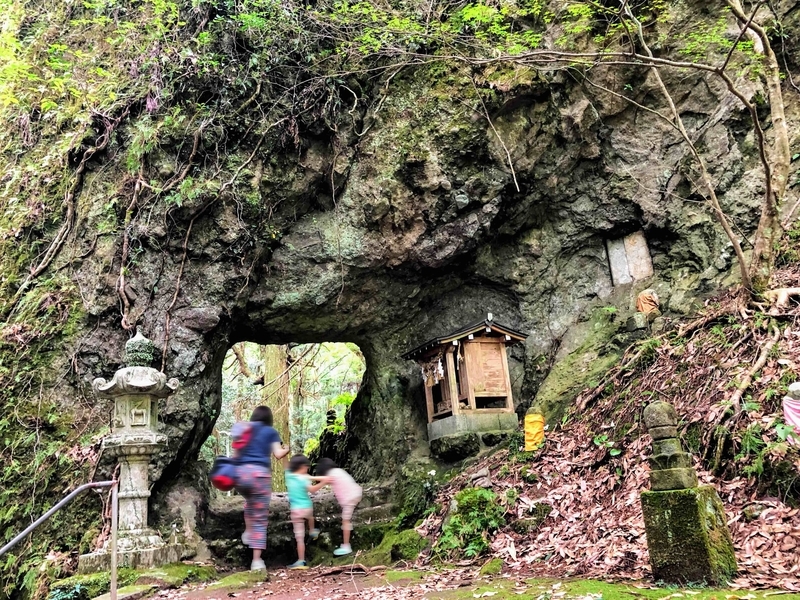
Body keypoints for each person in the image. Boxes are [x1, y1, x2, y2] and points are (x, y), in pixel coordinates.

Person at [235, 406, 290, 571]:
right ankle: (257, 561)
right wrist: (287, 448)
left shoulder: (245, 430)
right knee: (259, 515)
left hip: (241, 476)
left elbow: (237, 454)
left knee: (249, 503)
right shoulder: (271, 431)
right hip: (260, 477)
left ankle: (248, 531)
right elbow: (278, 454)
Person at [314, 457, 362, 556]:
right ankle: (346, 544)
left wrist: (308, 477)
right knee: (346, 520)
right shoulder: (338, 471)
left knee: (345, 521)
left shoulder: (333, 473)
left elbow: (325, 479)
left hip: (351, 497)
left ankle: (346, 546)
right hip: (354, 494)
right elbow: (323, 483)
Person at [285, 454, 325, 569]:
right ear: (302, 467)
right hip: (307, 508)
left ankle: (301, 561)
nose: (307, 469)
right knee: (310, 517)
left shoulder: (289, 475)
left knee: (299, 538)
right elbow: (312, 490)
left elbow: (285, 463)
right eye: (307, 467)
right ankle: (312, 531)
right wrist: (323, 482)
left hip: (296, 511)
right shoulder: (304, 478)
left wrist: (284, 453)